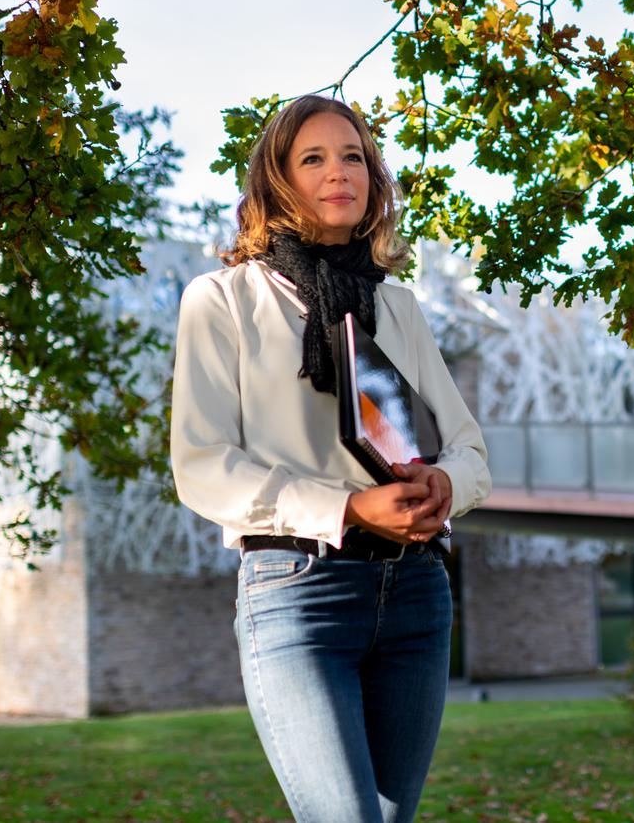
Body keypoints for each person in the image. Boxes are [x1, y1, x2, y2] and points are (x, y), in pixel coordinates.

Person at [170, 95, 491, 823]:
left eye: (353, 156)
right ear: (276, 180)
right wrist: (345, 507)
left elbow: (470, 449)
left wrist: (444, 483)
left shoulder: (397, 306)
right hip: (296, 592)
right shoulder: (222, 301)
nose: (338, 172)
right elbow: (201, 464)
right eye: (312, 158)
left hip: (415, 593)